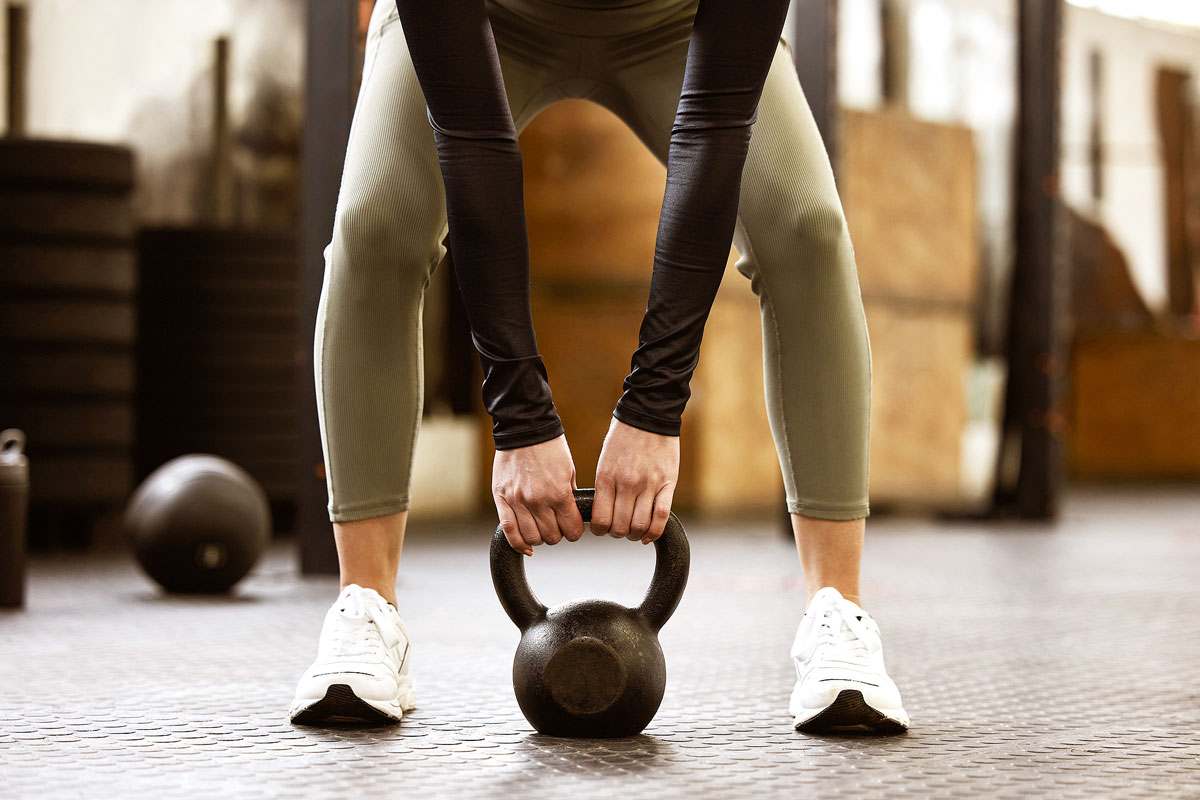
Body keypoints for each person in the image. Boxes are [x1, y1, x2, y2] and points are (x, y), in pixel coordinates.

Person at [289, 0, 909, 734]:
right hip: (490, 14)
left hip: (677, 18)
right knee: (375, 225)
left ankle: (835, 615)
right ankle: (366, 611)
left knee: (808, 228)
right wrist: (519, 415)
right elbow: (470, 137)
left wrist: (654, 406)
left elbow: (712, 129)